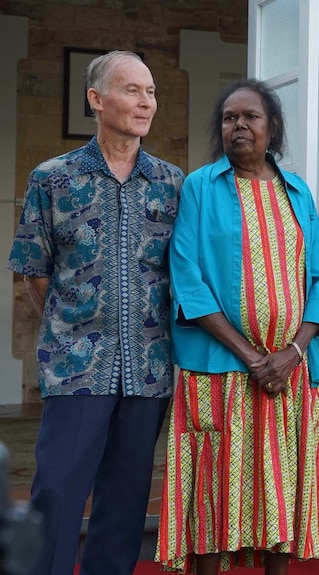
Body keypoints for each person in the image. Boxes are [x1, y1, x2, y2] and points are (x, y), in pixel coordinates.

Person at [6, 50, 183, 575]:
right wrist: (75, 327)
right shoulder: (52, 178)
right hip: (75, 369)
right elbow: (35, 272)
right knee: (57, 495)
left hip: (148, 371)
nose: (146, 102)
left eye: (150, 92)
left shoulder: (172, 183)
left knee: (125, 503)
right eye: (132, 90)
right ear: (96, 99)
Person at [155, 79, 319, 573]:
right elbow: (187, 279)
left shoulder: (297, 191)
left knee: (279, 483)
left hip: (289, 374)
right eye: (229, 118)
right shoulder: (200, 186)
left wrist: (294, 353)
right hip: (218, 368)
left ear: (272, 127)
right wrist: (253, 356)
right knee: (215, 487)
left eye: (250, 117)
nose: (238, 126)